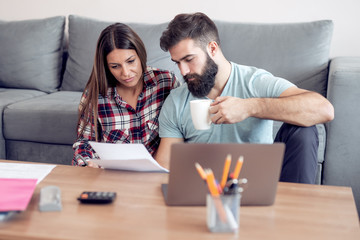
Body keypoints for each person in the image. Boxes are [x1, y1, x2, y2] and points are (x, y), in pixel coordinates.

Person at [155, 12, 334, 184]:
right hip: (206, 187)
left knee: (303, 130)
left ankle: (296, 212)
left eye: (189, 59)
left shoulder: (255, 82)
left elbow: (323, 109)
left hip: (259, 182)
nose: (182, 71)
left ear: (212, 48)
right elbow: (165, 166)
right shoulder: (177, 100)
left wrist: (249, 107)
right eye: (177, 62)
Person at [72, 23, 180, 167]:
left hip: (155, 175)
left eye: (131, 61)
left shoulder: (166, 82)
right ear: (106, 67)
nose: (126, 73)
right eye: (115, 66)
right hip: (114, 176)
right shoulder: (96, 96)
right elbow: (84, 143)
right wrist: (87, 164)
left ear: (140, 55)